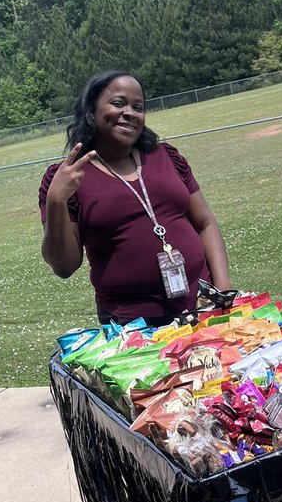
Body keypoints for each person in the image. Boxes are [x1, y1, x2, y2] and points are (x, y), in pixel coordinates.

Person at [39, 69, 231, 325]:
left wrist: (223, 290)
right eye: (118, 103)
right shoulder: (66, 177)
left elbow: (205, 223)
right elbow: (64, 266)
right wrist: (56, 201)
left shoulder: (166, 157)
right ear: (91, 109)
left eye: (138, 107)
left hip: (203, 304)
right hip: (133, 325)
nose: (129, 112)